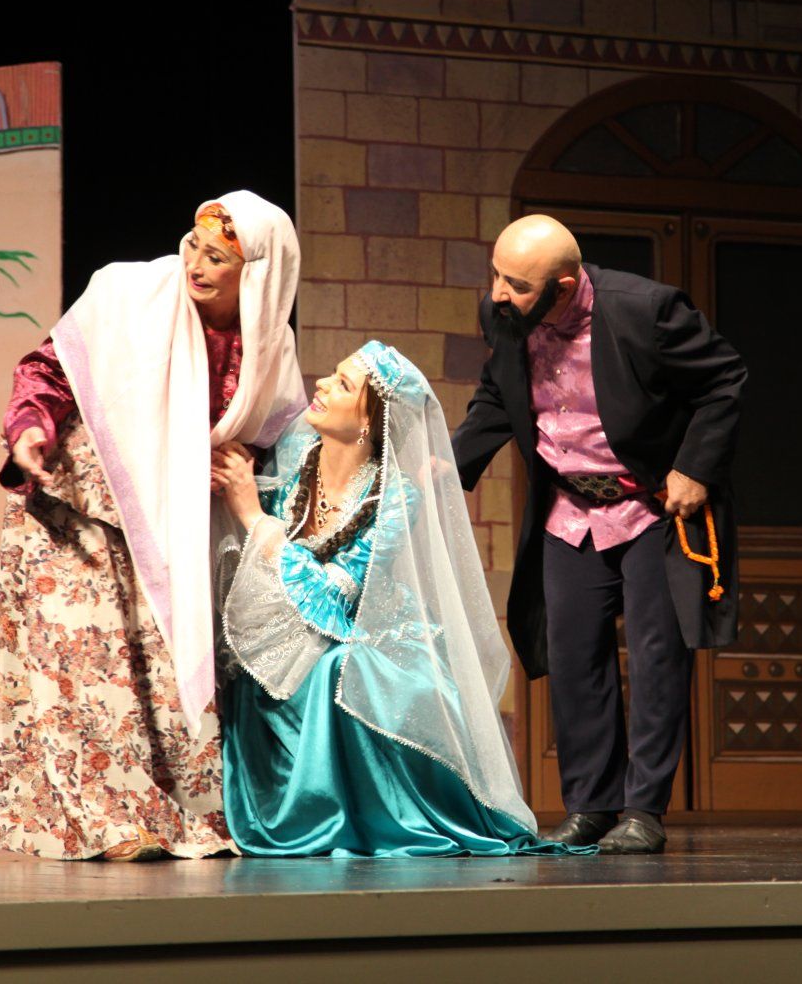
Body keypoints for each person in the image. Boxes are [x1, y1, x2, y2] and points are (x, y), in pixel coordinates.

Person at [0, 191, 306, 861]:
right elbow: (46, 369)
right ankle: (109, 819)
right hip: (80, 501)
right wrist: (28, 425)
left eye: (217, 258)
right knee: (82, 658)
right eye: (194, 246)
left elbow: (267, 436)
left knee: (156, 669)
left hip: (168, 522)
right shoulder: (131, 292)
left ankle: (162, 811)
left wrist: (235, 465)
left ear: (258, 275)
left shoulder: (269, 347)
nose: (195, 264)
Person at [210, 341, 588, 857]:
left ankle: (348, 814)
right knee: (249, 666)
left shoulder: (394, 498)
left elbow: (331, 597)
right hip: (291, 629)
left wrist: (255, 518)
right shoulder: (296, 462)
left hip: (365, 633)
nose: (322, 385)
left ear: (369, 421)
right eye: (333, 374)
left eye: (343, 384)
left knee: (337, 670)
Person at [450, 214, 747, 855]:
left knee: (656, 657)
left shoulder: (645, 311)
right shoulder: (505, 316)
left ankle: (643, 810)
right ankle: (590, 806)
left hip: (650, 509)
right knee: (574, 658)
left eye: (517, 284)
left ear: (562, 287)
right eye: (496, 276)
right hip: (570, 511)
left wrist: (695, 467)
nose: (499, 294)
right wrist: (446, 473)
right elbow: (499, 394)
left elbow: (725, 378)